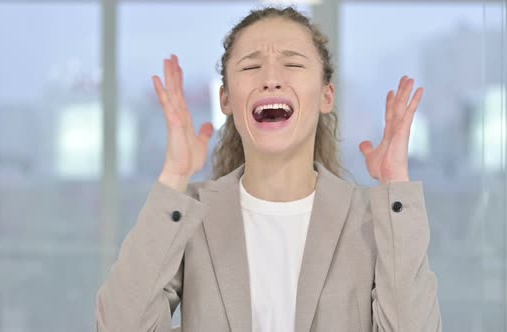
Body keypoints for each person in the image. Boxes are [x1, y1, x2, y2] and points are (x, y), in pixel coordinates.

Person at [95, 5, 442, 332]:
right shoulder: (189, 216)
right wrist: (173, 177)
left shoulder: (369, 219)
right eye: (250, 67)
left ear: (326, 96)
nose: (271, 78)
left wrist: (395, 183)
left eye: (292, 64)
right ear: (226, 99)